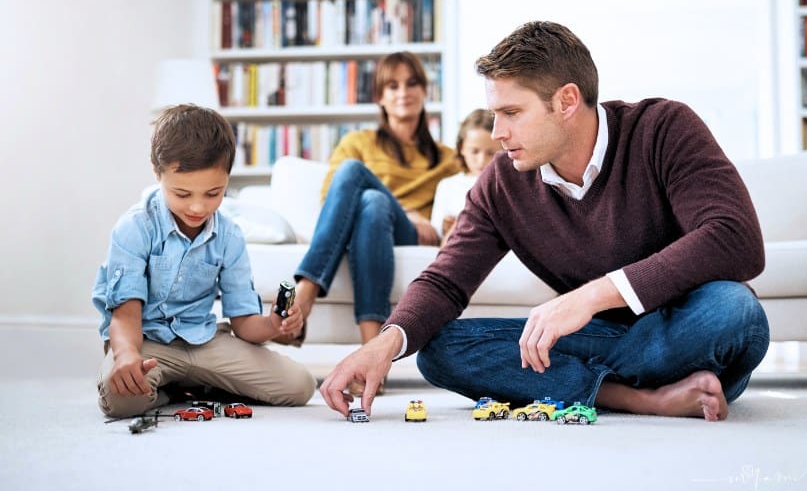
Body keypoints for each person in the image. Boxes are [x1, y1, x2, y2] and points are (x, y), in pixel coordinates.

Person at [319, 21, 770, 422]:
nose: (497, 133)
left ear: (567, 101)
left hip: (678, 326)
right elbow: (445, 281)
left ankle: (596, 386)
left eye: (511, 113)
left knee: (734, 311)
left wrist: (591, 297)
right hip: (603, 342)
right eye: (495, 115)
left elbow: (736, 239)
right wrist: (383, 344)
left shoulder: (662, 128)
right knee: (437, 350)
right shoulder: (502, 182)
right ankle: (642, 398)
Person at [92, 104, 316, 418]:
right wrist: (127, 354)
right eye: (182, 194)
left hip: (203, 341)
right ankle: (178, 389)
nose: (198, 207)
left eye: (213, 193)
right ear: (158, 173)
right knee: (121, 399)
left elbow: (245, 324)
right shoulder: (134, 227)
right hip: (145, 342)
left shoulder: (229, 236)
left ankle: (197, 384)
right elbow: (125, 313)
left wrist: (274, 325)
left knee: (299, 386)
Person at [280, 51, 459, 350]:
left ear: (424, 91)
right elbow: (331, 199)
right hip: (368, 230)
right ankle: (373, 352)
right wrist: (405, 208)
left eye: (411, 83)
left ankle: (306, 293)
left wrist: (417, 216)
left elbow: (469, 197)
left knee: (362, 183)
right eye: (393, 86)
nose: (403, 92)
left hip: (410, 234)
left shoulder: (447, 158)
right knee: (373, 201)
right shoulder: (357, 143)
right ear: (380, 96)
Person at [430, 109, 501, 245]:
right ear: (462, 148)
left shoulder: (505, 185)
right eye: (474, 151)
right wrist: (444, 226)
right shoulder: (447, 185)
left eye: (491, 153)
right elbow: (436, 230)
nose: (481, 161)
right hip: (457, 242)